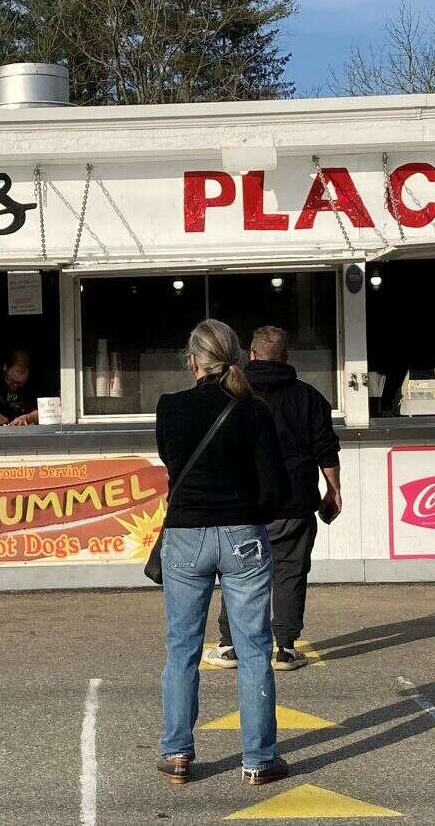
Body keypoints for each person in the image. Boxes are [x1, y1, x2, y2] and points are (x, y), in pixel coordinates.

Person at [153, 320, 291, 788]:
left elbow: (173, 466)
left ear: (192, 361)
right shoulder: (255, 410)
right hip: (242, 534)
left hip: (187, 534)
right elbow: (276, 487)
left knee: (182, 648)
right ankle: (259, 758)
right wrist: (251, 510)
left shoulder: (170, 408)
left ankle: (176, 753)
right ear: (237, 357)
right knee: (254, 650)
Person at [206, 325, 341, 673]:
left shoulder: (231, 394)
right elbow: (326, 450)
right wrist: (334, 492)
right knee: (289, 572)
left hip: (241, 501)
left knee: (237, 572)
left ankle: (229, 644)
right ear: (286, 356)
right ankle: (284, 648)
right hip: (293, 502)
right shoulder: (308, 397)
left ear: (250, 355)